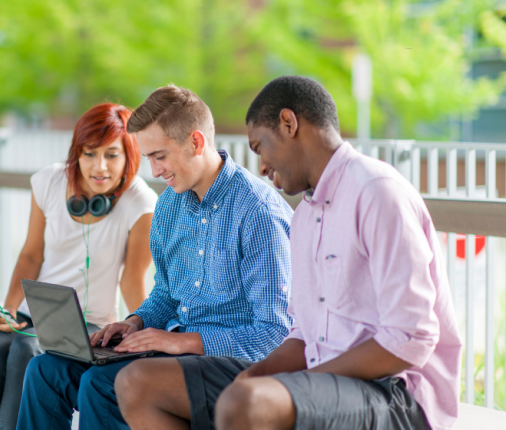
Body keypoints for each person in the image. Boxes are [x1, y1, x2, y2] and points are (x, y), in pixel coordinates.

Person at [116, 76, 463, 430]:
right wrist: (255, 374)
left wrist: (304, 379)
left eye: (260, 148)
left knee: (246, 403)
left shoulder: (377, 191)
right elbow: (301, 333)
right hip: (327, 383)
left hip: (396, 395)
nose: (262, 168)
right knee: (137, 384)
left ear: (289, 124)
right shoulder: (307, 216)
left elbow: (411, 337)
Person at [16, 85, 294, 430]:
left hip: (230, 363)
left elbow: (272, 334)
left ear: (196, 142)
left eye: (159, 156)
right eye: (148, 158)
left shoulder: (258, 213)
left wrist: (181, 341)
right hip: (175, 352)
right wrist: (135, 322)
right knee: (46, 370)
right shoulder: (169, 205)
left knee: (100, 384)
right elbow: (165, 296)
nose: (154, 170)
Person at [0, 103, 158, 430]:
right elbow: (31, 254)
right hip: (35, 311)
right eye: (89, 154)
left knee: (25, 353)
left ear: (129, 155)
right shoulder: (49, 182)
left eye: (112, 155)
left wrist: (138, 334)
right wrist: (10, 307)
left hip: (90, 323)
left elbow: (132, 279)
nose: (100, 167)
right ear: (77, 155)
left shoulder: (139, 202)